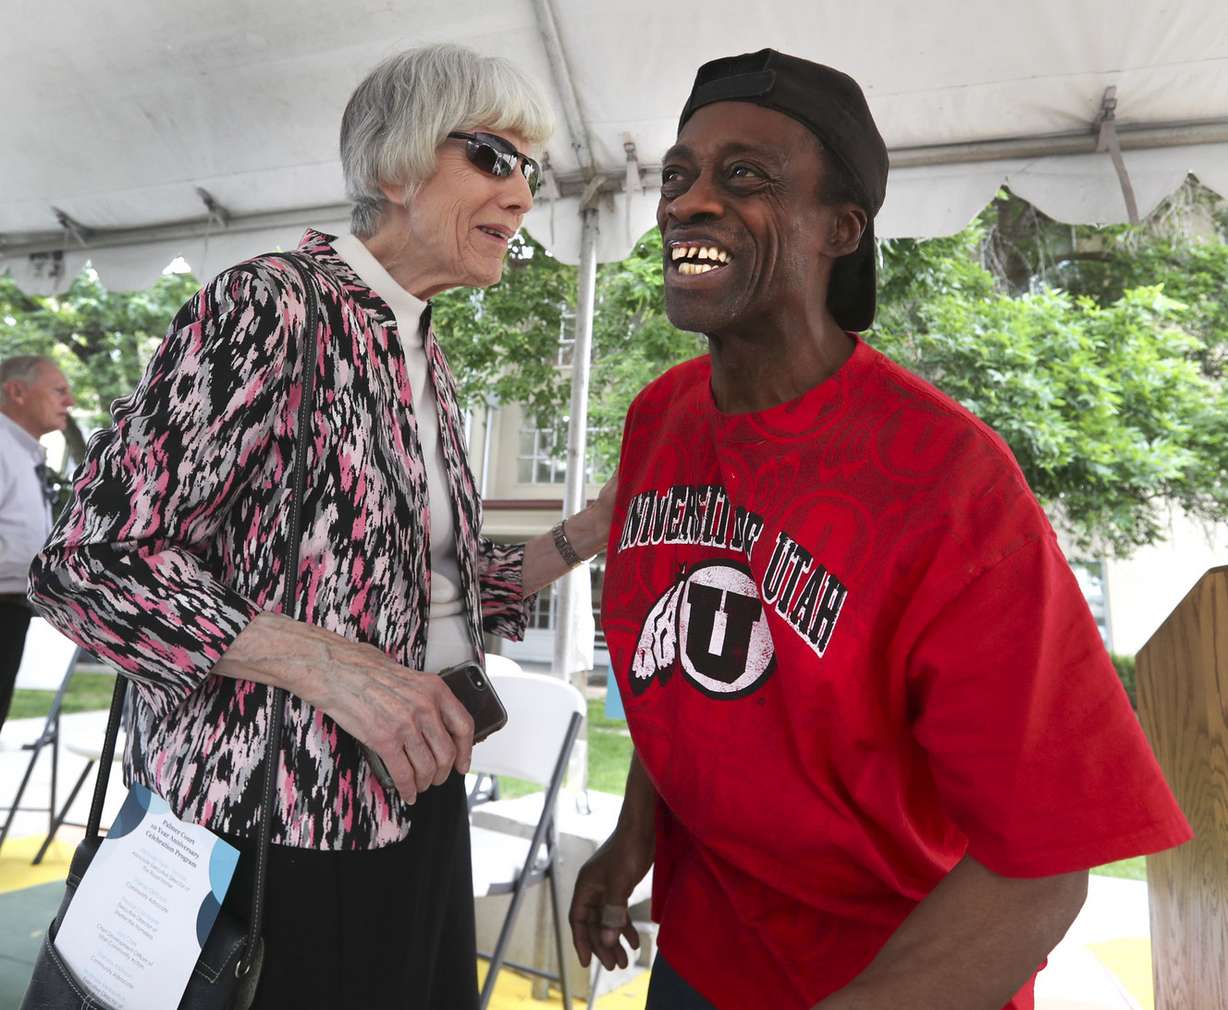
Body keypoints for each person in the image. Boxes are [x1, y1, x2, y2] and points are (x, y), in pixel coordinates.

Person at [569, 49, 1191, 1010]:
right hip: (700, 952)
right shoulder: (659, 420)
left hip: (897, 973)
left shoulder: (951, 483)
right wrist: (633, 834)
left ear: (841, 228)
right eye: (680, 175)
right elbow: (680, 663)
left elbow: (1047, 861)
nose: (689, 202)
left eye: (746, 178)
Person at [29, 44, 612, 1009]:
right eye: (494, 157)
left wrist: (590, 529)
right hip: (276, 836)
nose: (523, 194)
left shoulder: (420, 347)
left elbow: (430, 591)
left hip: (415, 801)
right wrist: (335, 669)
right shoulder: (273, 307)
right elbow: (86, 563)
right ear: (393, 168)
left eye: (532, 169)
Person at [0, 355, 73, 731]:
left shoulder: (22, 450)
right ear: (17, 392)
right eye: (59, 391)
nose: (70, 401)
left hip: (12, 610)